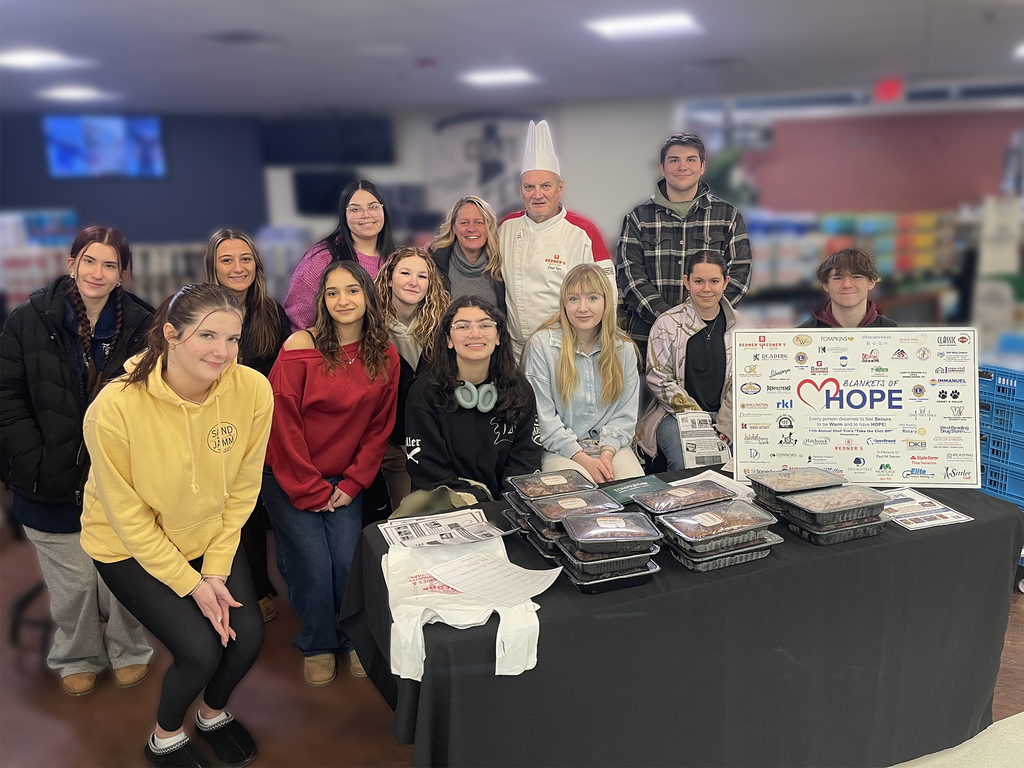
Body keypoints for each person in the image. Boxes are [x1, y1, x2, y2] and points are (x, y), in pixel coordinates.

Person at [81, 283, 273, 768]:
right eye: (208, 336)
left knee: (246, 635)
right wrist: (191, 584)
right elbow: (129, 520)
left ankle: (211, 714)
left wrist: (215, 571)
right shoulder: (114, 409)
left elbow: (243, 489)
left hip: (206, 534)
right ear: (171, 334)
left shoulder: (252, 390)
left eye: (233, 339)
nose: (223, 351)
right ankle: (165, 737)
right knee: (200, 651)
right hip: (126, 546)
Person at [0, 226, 154, 698]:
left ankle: (130, 649)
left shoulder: (144, 324)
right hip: (49, 482)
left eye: (110, 265)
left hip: (120, 482)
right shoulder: (27, 320)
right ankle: (77, 655)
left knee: (123, 580)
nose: (98, 272)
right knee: (76, 586)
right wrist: (34, 463)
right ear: (71, 263)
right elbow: (7, 396)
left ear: (121, 273)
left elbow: (155, 402)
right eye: (90, 261)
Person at [264, 260, 399, 687]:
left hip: (346, 480)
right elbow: (281, 424)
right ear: (321, 300)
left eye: (353, 290)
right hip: (290, 474)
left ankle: (354, 636)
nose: (343, 300)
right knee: (312, 565)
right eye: (333, 292)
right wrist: (308, 487)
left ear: (368, 297)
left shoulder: (385, 354)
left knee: (346, 561)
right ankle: (319, 641)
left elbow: (380, 427)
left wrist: (354, 481)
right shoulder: (299, 347)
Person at [204, 228, 291, 623]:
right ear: (213, 267)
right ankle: (252, 586)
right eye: (227, 260)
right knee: (233, 514)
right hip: (215, 427)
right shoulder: (197, 311)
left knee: (262, 506)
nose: (238, 267)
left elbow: (287, 373)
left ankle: (269, 582)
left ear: (257, 265)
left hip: (265, 426)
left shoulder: (272, 312)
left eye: (245, 259)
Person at [617, 133, 752, 357]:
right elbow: (630, 277)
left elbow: (740, 274)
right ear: (662, 167)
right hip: (650, 339)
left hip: (712, 337)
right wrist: (669, 321)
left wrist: (701, 317)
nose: (682, 166)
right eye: (674, 160)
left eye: (690, 160)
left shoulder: (728, 216)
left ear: (702, 167)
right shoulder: (638, 218)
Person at [405, 296, 541, 503]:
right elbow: (429, 472)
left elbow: (525, 463)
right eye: (462, 327)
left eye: (485, 325)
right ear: (449, 340)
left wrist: (505, 507)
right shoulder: (424, 393)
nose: (475, 333)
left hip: (507, 506)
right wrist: (478, 500)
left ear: (498, 337)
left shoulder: (520, 390)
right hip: (446, 503)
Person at [498, 120, 616, 358]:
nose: (537, 194)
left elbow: (607, 293)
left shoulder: (584, 231)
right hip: (515, 349)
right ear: (520, 190)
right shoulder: (505, 227)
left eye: (546, 186)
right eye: (529, 187)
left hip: (567, 348)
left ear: (560, 188)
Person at [523, 264, 644, 483]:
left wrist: (606, 454)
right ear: (564, 304)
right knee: (577, 496)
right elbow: (543, 419)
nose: (582, 308)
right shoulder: (541, 346)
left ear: (606, 302)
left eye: (592, 298)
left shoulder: (624, 349)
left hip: (611, 447)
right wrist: (585, 461)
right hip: (559, 449)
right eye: (573, 299)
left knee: (633, 491)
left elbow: (625, 415)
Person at [636, 252, 740, 470]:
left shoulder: (745, 326)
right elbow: (658, 378)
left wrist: (727, 423)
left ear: (725, 283)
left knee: (739, 467)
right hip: (676, 416)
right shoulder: (667, 324)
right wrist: (697, 421)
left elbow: (747, 380)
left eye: (714, 281)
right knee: (686, 465)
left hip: (730, 416)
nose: (706, 289)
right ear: (687, 282)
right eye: (698, 281)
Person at [374, 247, 450, 508]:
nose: (413, 282)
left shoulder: (442, 327)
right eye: (405, 273)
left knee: (414, 509)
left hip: (423, 440)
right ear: (389, 278)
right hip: (378, 438)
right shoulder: (369, 325)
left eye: (422, 276)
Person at [283, 179, 395, 331]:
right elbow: (296, 320)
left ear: (384, 211)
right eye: (355, 209)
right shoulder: (322, 257)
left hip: (382, 349)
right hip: (330, 349)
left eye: (373, 207)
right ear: (344, 215)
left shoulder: (395, 259)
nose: (366, 215)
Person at [428, 195, 505, 308]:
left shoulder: (502, 262)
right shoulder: (434, 264)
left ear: (488, 227)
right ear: (453, 227)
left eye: (479, 222)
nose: (471, 229)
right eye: (464, 223)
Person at [799, 247, 898, 328]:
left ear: (872, 282)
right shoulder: (803, 334)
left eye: (856, 277)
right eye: (838, 278)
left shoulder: (894, 333)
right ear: (825, 285)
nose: (847, 285)